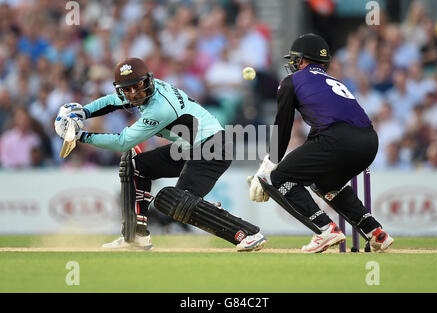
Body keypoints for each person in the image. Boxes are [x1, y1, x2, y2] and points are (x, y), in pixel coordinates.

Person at [54, 57, 267, 252]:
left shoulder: (160, 108)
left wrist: (81, 136)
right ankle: (135, 236)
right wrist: (84, 112)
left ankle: (246, 233)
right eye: (127, 90)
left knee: (172, 201)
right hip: (190, 147)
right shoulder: (144, 92)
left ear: (148, 81)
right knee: (135, 166)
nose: (134, 94)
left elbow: (123, 141)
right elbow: (111, 100)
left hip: (213, 146)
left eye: (137, 87)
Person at [248, 34, 394, 253]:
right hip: (369, 141)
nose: (294, 64)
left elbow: (283, 126)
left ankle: (325, 229)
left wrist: (268, 165)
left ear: (303, 60)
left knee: (279, 178)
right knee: (326, 184)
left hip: (337, 138)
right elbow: (320, 134)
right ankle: (375, 232)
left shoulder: (292, 81)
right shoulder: (334, 82)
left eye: (296, 59)